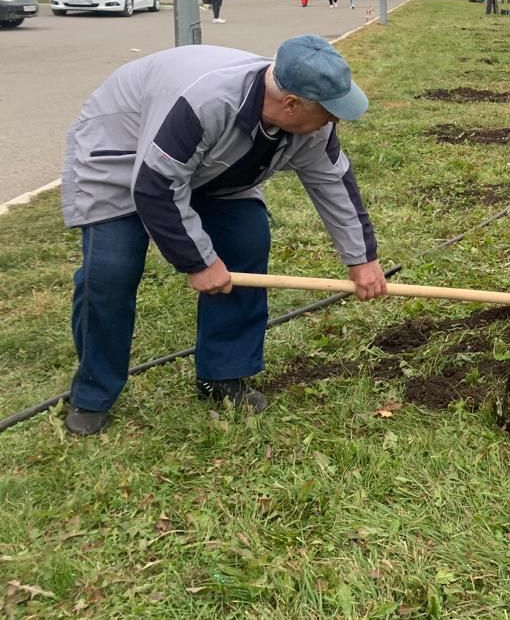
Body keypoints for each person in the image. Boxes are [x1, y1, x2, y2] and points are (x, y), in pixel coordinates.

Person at [59, 35, 387, 436]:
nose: (335, 121)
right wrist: (199, 262)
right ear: (291, 104)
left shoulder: (311, 125)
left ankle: (223, 374)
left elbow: (334, 184)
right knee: (111, 269)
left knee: (246, 239)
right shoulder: (206, 104)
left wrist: (362, 259)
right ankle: (92, 394)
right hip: (123, 154)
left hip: (215, 166)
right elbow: (155, 187)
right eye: (330, 112)